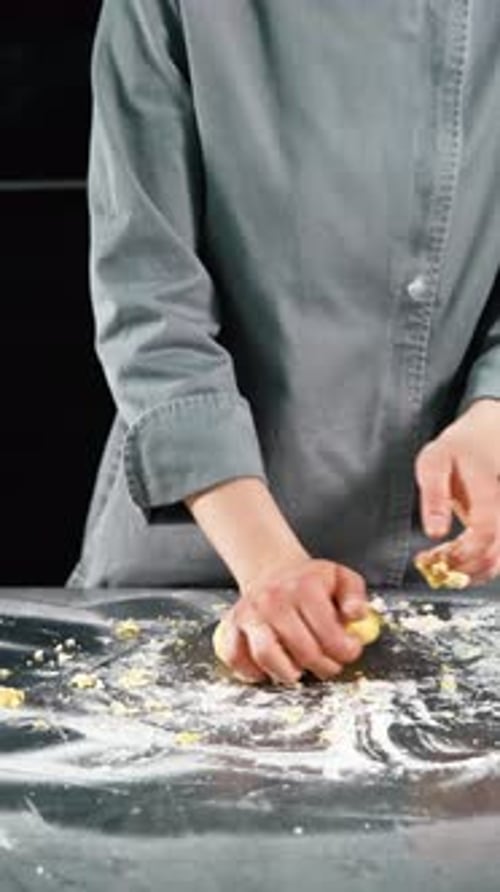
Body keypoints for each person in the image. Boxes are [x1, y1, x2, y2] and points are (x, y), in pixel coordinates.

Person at [68, 0, 500, 684]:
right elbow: (150, 303)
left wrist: (489, 423)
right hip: (210, 553)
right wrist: (268, 563)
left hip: (459, 572)